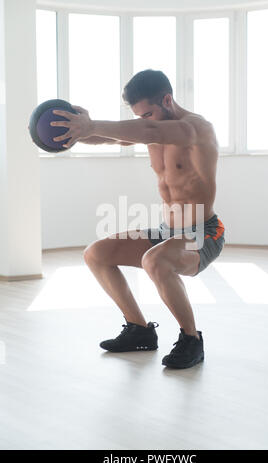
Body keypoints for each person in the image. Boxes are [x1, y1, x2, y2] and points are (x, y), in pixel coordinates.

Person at [50, 69, 225, 369]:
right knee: (96, 254)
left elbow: (149, 133)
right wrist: (79, 133)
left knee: (155, 261)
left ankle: (192, 340)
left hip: (202, 232)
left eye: (146, 114)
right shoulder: (152, 128)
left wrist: (92, 125)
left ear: (167, 100)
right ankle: (139, 331)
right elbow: (118, 137)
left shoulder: (195, 129)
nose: (143, 120)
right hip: (166, 230)